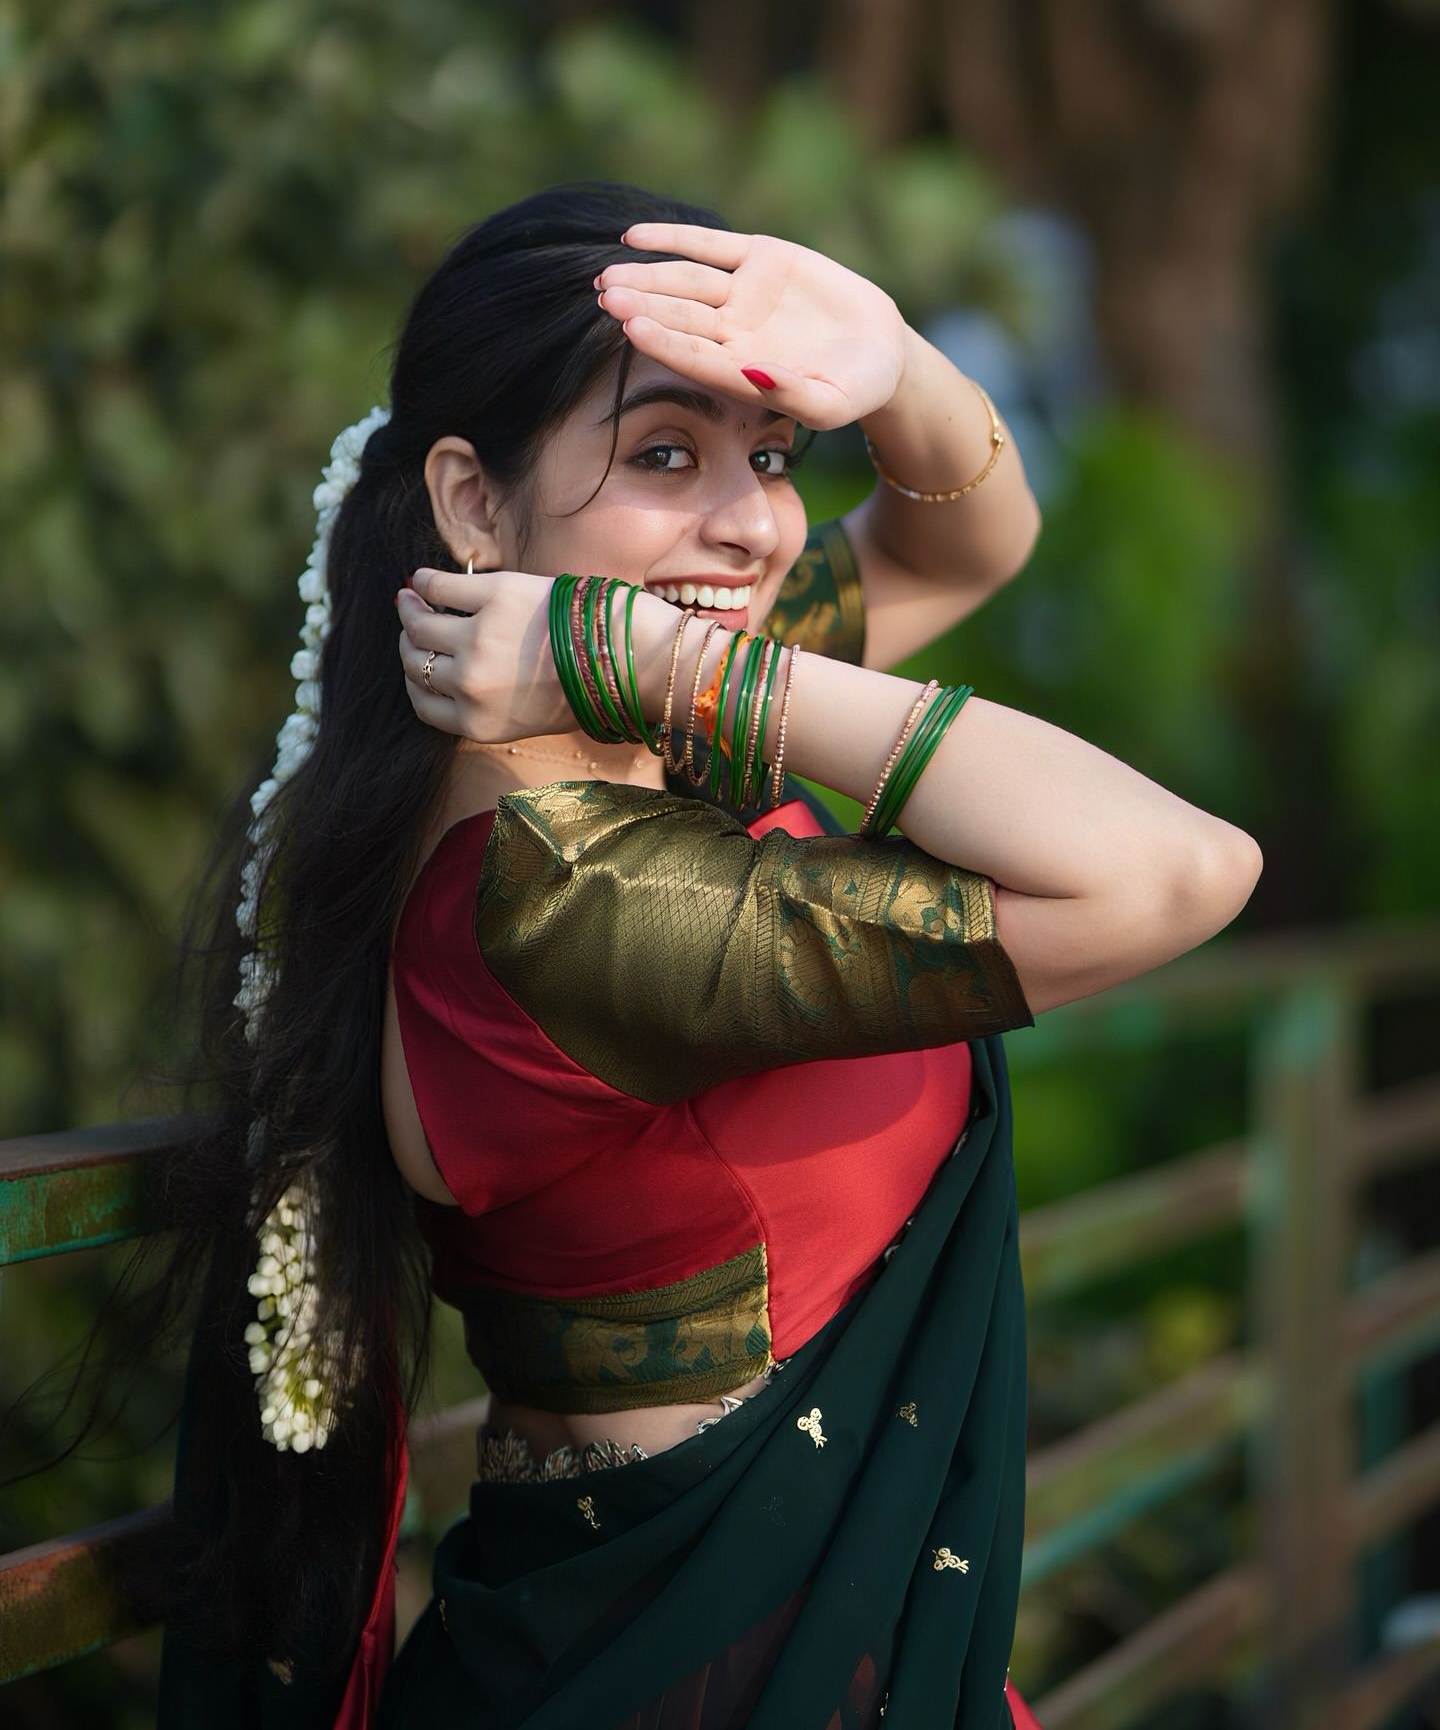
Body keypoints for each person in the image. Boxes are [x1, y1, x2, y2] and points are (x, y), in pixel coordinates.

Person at [152, 181, 1262, 1729]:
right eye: (666, 455)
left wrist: (893, 359)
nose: (748, 526)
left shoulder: (628, 747)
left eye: (773, 457)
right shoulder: (570, 902)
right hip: (711, 1682)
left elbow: (969, 539)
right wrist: (662, 654)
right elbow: (1181, 869)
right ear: (473, 504)